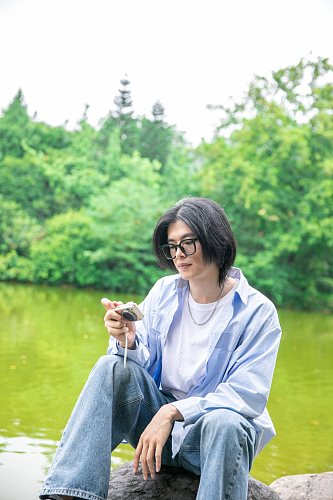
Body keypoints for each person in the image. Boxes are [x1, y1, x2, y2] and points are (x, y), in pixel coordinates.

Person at [40, 197, 282, 500]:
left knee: (226, 422)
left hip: (210, 443)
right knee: (110, 366)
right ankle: (69, 494)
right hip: (155, 435)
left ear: (215, 239)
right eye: (172, 246)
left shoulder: (257, 312)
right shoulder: (164, 292)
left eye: (187, 244)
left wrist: (172, 411)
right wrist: (127, 340)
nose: (178, 254)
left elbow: (246, 395)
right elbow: (140, 362)